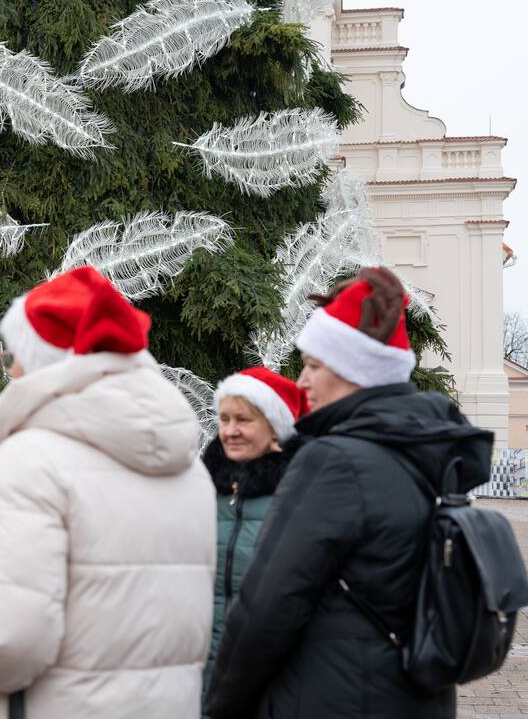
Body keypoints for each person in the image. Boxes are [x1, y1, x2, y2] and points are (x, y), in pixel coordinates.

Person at [0, 266, 216, 718]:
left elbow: (1, 645)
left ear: (44, 364)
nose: (9, 369)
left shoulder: (32, 459)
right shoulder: (190, 470)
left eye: (13, 355)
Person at [205, 268, 494, 719]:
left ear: (353, 371)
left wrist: (220, 705)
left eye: (314, 366)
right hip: (409, 694)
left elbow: (267, 606)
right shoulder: (418, 455)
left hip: (333, 696)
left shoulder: (334, 461)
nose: (302, 382)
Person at [202, 368, 307, 694]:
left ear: (275, 427)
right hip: (205, 665)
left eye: (243, 420)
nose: (230, 431)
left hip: (272, 674)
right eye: (224, 419)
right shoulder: (204, 487)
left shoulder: (301, 491)